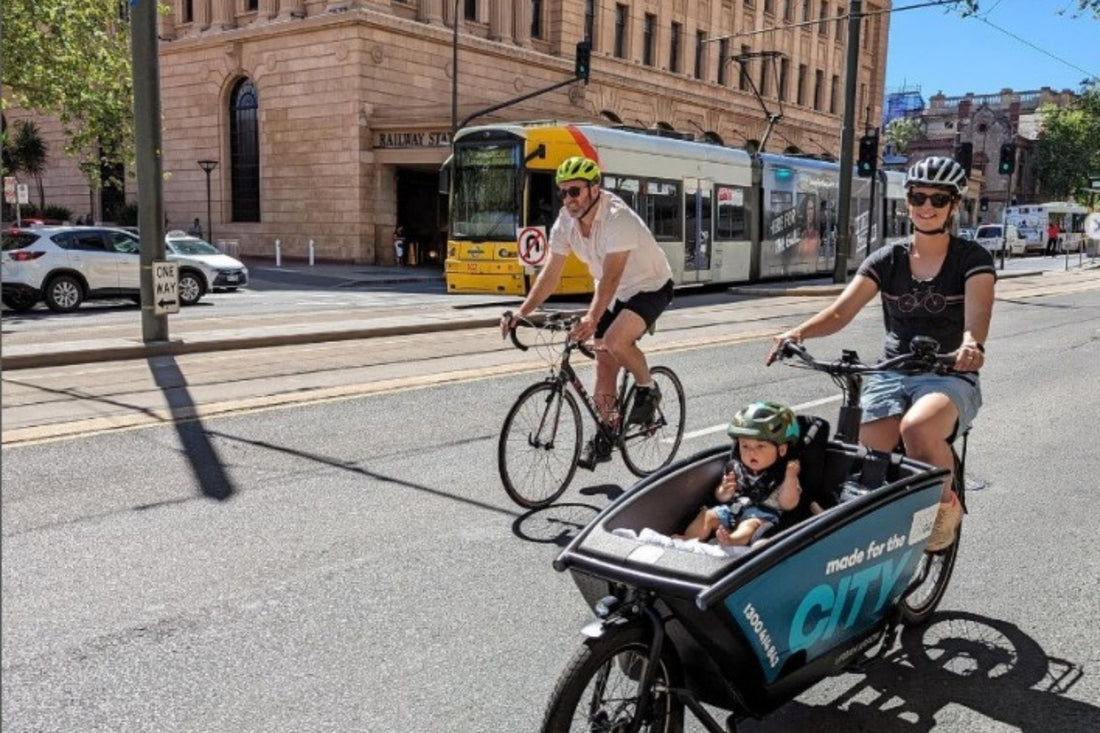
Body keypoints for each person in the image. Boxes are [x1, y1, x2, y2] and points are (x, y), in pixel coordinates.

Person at [766, 156, 996, 551]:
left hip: (948, 373)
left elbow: (977, 316)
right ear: (906, 200)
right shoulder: (888, 259)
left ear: (953, 205)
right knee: (864, 455)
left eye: (938, 199)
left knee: (917, 429)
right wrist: (797, 332)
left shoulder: (971, 258)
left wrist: (971, 344)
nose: (926, 206)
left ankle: (945, 507)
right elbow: (841, 311)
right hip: (892, 371)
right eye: (917, 196)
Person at [500, 156, 675, 469]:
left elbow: (611, 276)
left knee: (615, 340)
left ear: (595, 189)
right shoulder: (566, 222)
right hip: (614, 293)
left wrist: (591, 317)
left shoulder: (618, 218)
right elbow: (550, 274)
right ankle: (604, 434)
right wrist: (521, 312)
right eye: (563, 193)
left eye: (575, 191)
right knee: (604, 364)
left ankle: (648, 389)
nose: (568, 200)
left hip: (650, 286)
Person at [676, 402, 802, 547]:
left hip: (762, 516)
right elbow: (720, 497)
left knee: (749, 526)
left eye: (760, 446)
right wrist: (724, 491)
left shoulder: (784, 473)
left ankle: (731, 540)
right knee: (707, 515)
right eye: (745, 446)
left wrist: (791, 477)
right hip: (733, 510)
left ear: (782, 450)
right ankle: (686, 539)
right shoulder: (736, 467)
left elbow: (788, 505)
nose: (751, 452)